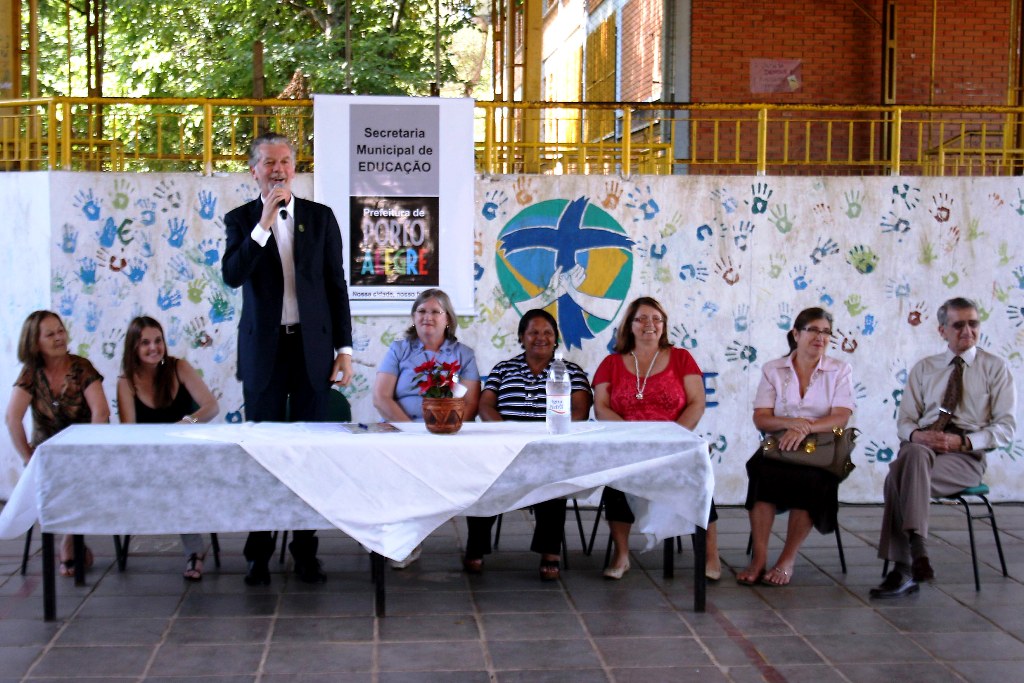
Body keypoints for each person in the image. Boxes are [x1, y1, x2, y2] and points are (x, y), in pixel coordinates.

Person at [222, 132, 354, 586]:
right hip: (265, 352)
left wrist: (345, 350)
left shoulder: (319, 218)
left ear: (294, 169)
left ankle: (304, 551)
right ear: (254, 170)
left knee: (307, 454)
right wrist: (262, 224)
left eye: (285, 162)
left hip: (312, 351)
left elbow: (337, 288)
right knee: (264, 453)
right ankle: (258, 554)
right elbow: (233, 275)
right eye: (268, 163)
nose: (278, 169)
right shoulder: (241, 220)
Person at [871, 297, 1016, 598]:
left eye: (973, 324)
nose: (967, 331)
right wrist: (917, 436)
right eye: (958, 325)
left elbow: (1006, 428)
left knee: (896, 478)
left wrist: (963, 441)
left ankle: (906, 565)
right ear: (942, 331)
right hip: (925, 447)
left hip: (965, 457)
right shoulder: (925, 368)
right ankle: (915, 554)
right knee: (912, 451)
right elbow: (905, 422)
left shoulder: (995, 368)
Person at [592, 296, 716, 580]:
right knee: (615, 484)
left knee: (700, 480)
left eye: (656, 319)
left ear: (664, 326)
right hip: (627, 444)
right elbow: (601, 407)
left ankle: (710, 556)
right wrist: (633, 438)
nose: (649, 325)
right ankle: (622, 555)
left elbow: (697, 402)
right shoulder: (611, 363)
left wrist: (672, 437)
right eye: (641, 319)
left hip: (673, 445)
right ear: (629, 326)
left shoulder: (682, 358)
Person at [472, 308, 593, 580]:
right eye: (533, 332)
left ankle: (550, 553)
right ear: (521, 337)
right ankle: (475, 548)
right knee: (483, 480)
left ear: (556, 339)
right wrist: (508, 435)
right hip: (506, 450)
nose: (541, 338)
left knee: (551, 478)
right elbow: (485, 404)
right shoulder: (503, 369)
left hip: (552, 451)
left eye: (548, 332)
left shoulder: (571, 371)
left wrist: (550, 441)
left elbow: (581, 411)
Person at [737, 307, 855, 587]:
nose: (820, 337)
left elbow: (841, 415)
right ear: (796, 334)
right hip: (782, 441)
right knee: (760, 469)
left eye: (826, 332)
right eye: (813, 330)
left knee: (812, 478)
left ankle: (787, 559)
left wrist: (805, 427)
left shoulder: (839, 370)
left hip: (823, 444)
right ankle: (759, 558)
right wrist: (791, 425)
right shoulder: (773, 369)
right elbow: (761, 417)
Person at [373, 288, 481, 568]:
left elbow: (470, 403)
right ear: (413, 318)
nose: (427, 317)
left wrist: (446, 432)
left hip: (449, 434)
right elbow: (381, 397)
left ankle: (414, 537)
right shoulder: (399, 349)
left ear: (448, 319)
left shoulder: (464, 354)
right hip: (404, 431)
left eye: (435, 311)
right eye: (421, 311)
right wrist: (411, 433)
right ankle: (401, 540)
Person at [5, 310, 110, 576]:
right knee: (48, 476)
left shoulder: (81, 367)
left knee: (78, 475)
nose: (59, 338)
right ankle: (74, 541)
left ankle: (68, 542)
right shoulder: (31, 373)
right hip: (48, 453)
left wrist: (91, 450)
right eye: (50, 334)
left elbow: (101, 412)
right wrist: (28, 457)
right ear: (34, 342)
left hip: (85, 450)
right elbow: (12, 418)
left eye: (60, 331)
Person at [116, 316, 220, 581]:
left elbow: (210, 407)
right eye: (145, 343)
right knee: (172, 477)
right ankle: (195, 550)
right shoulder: (126, 381)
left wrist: (186, 423)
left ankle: (194, 551)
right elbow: (129, 432)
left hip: (185, 453)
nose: (154, 348)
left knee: (180, 476)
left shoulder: (178, 367)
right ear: (134, 348)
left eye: (158, 340)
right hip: (147, 457)